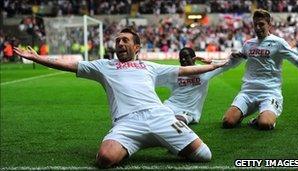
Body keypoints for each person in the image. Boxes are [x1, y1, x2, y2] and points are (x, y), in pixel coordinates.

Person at [14, 28, 227, 168]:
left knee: (203, 155)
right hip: (127, 122)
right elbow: (69, 65)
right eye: (117, 40)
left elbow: (185, 71)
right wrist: (37, 58)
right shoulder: (103, 66)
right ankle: (143, 142)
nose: (120, 43)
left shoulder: (150, 66)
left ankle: (161, 138)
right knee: (105, 159)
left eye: (125, 40)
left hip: (160, 116)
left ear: (137, 47)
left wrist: (214, 65)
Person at [222, 9, 298, 130]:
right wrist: (218, 62)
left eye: (261, 24)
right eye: (255, 24)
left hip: (270, 92)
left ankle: (260, 118)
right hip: (248, 92)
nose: (258, 27)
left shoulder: (278, 43)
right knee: (228, 122)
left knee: (265, 124)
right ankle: (241, 114)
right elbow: (238, 59)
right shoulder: (248, 44)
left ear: (269, 25)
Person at [158, 47, 240, 124]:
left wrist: (211, 62)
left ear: (194, 58)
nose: (183, 60)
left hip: (188, 112)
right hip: (169, 106)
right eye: (181, 58)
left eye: (186, 57)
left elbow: (230, 64)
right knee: (153, 118)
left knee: (172, 122)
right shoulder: (174, 71)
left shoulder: (205, 70)